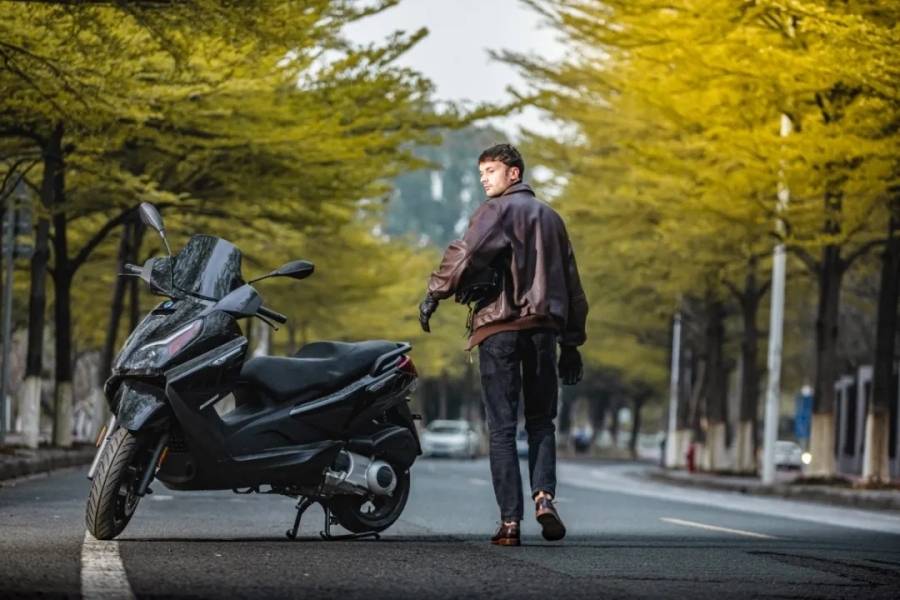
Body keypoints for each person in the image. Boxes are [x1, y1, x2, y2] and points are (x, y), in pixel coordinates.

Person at [418, 143, 588, 546]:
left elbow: (466, 254)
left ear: (514, 174)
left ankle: (510, 523)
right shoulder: (552, 218)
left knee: (501, 428)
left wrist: (434, 292)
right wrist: (572, 343)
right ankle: (544, 498)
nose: (484, 180)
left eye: (491, 171)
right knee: (542, 421)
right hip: (545, 330)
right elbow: (572, 286)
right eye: (481, 174)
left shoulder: (497, 211)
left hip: (499, 329)